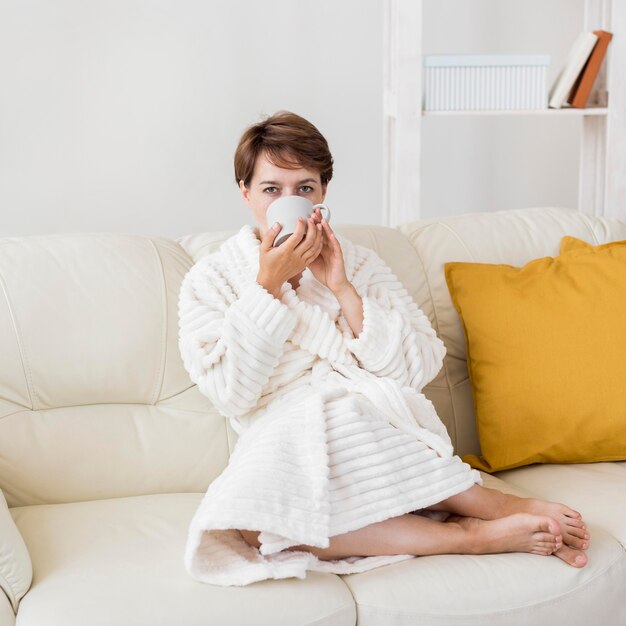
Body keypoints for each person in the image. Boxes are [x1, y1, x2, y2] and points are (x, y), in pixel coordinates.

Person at [177, 111, 589, 587]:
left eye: (304, 188)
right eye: (272, 189)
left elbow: (416, 367)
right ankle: (467, 534)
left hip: (369, 419)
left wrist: (343, 288)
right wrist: (266, 287)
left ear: (323, 194)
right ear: (245, 193)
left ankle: (491, 504)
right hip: (278, 433)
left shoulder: (358, 263)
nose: (289, 201)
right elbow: (231, 393)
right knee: (252, 525)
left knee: (344, 412)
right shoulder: (212, 279)